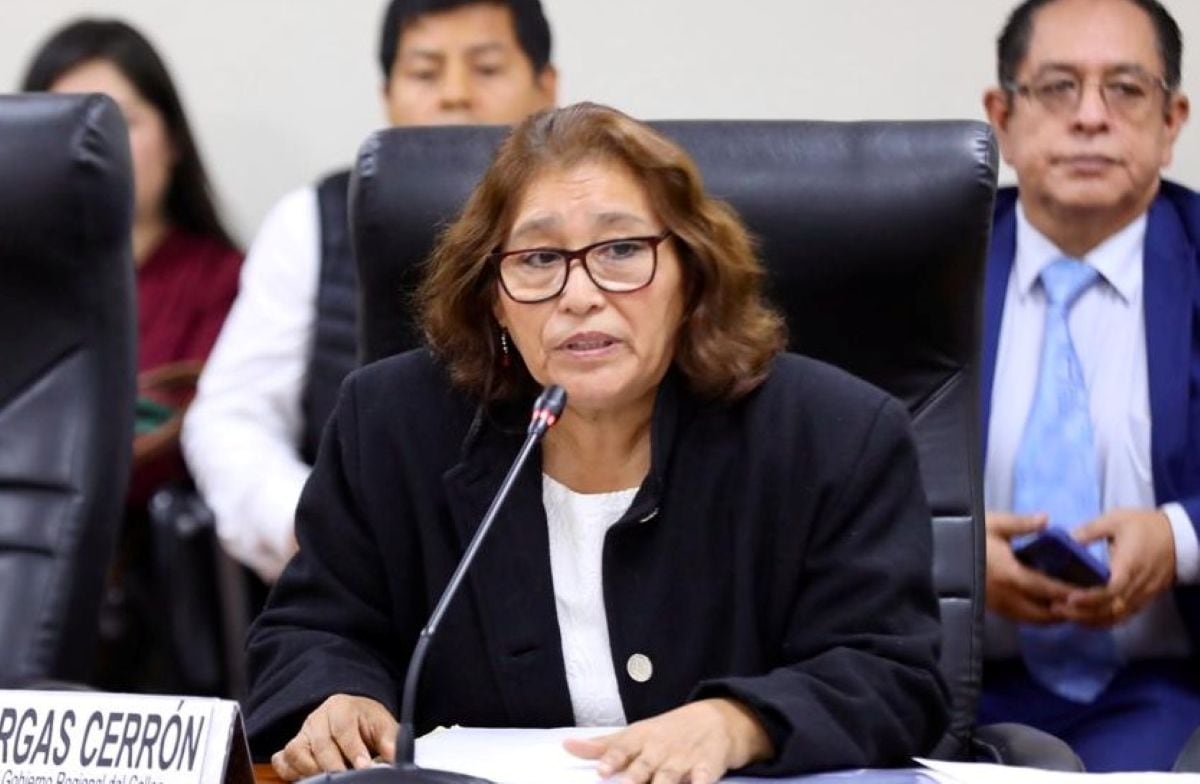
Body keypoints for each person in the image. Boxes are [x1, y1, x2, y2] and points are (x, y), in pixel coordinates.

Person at [244, 102, 949, 782]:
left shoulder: (832, 436)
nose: (579, 294)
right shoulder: (392, 424)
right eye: (538, 259)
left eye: (621, 250)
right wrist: (336, 697)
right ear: (494, 298)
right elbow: (311, 631)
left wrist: (739, 723)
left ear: (691, 276)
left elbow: (890, 676)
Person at [181, 0, 558, 582]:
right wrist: (315, 523)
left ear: (546, 87)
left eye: (486, 68)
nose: (455, 94)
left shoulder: (597, 229)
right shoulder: (312, 221)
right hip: (359, 579)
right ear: (388, 95)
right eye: (425, 72)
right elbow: (230, 419)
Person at [978, 0, 1200, 771]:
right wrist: (948, 553)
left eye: (1126, 90)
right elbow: (834, 483)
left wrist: (1178, 538)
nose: (1091, 118)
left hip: (1166, 691)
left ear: (1171, 122)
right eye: (1058, 87)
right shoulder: (925, 266)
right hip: (944, 679)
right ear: (1002, 118)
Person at [22, 18, 243, 690]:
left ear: (172, 140)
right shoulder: (14, 289)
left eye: (122, 120)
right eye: (69, 123)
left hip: (144, 612)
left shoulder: (225, 279)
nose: (96, 145)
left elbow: (194, 441)